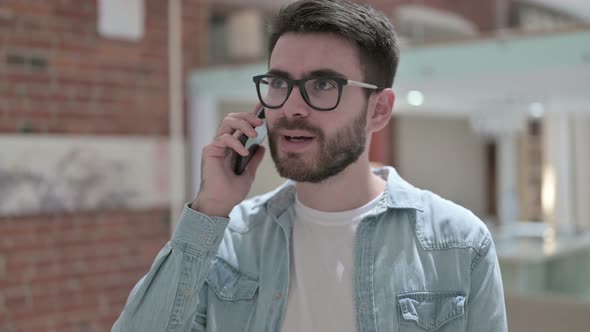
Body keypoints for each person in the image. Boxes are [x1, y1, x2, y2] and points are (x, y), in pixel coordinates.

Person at [112, 0, 507, 331]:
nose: (292, 107)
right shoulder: (230, 240)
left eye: (323, 85)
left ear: (379, 110)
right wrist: (210, 207)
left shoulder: (459, 244)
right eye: (280, 83)